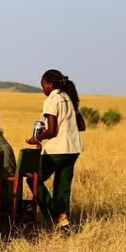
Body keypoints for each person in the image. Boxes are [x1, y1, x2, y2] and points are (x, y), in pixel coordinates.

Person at [25, 69, 85, 231]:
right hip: (73, 149)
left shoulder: (52, 99)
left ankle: (53, 215)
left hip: (57, 150)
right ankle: (65, 222)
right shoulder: (69, 98)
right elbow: (82, 126)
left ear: (50, 84)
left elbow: (51, 131)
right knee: (62, 186)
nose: (42, 89)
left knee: (33, 178)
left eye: (43, 85)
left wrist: (36, 138)